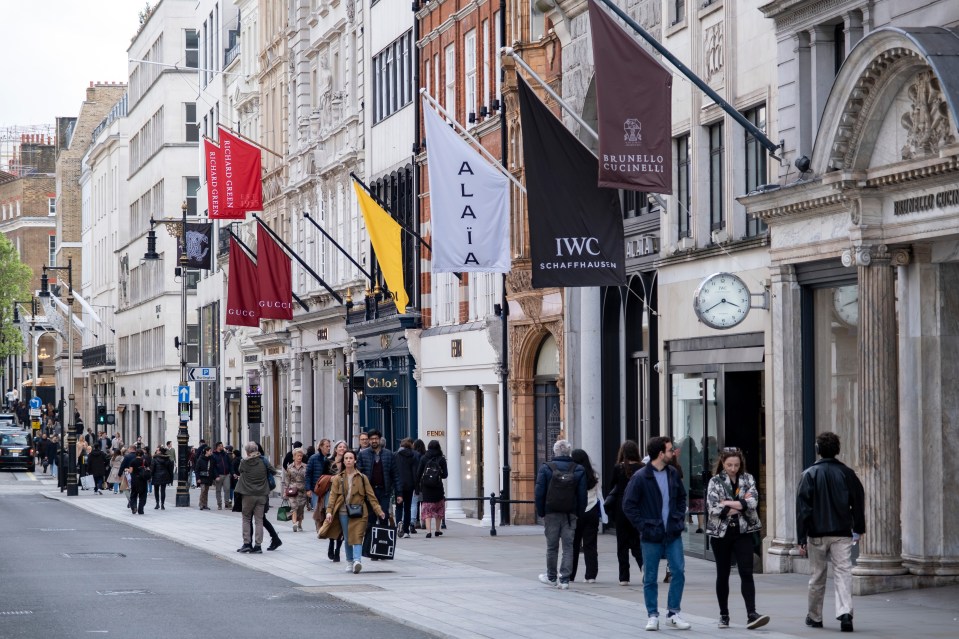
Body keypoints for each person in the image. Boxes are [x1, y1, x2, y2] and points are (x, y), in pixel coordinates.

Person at [797, 431, 865, 633]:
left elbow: (803, 509)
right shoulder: (847, 474)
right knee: (843, 572)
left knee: (817, 575)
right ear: (837, 450)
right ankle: (845, 613)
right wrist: (858, 528)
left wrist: (801, 538)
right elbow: (858, 502)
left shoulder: (809, 474)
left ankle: (815, 616)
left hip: (816, 533)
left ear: (818, 450)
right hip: (842, 532)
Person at [622, 436, 691, 631]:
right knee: (650, 576)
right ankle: (652, 615)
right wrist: (643, 526)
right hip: (651, 535)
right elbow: (628, 505)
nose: (673, 452)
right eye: (670, 450)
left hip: (672, 533)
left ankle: (673, 612)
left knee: (678, 571)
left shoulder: (672, 473)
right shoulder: (641, 477)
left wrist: (677, 519)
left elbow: (681, 498)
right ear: (661, 453)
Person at [706, 448, 769, 630]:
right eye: (729, 465)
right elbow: (713, 507)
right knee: (723, 574)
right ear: (723, 464)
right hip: (721, 534)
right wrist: (740, 504)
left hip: (743, 532)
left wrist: (728, 503)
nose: (733, 468)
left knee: (746, 572)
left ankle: (752, 614)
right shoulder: (715, 482)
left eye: (736, 465)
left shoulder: (748, 479)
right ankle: (724, 615)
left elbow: (753, 503)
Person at [320, 450, 386, 574]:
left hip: (360, 512)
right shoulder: (338, 478)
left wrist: (378, 510)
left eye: (351, 458)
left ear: (355, 460)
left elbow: (371, 495)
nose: (349, 460)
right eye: (346, 458)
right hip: (343, 512)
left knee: (357, 536)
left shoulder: (362, 477)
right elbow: (333, 496)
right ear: (343, 461)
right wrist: (329, 512)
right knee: (348, 537)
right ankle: (350, 561)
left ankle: (357, 561)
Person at [534, 439, 587, 590]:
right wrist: (579, 512)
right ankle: (564, 579)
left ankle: (551, 577)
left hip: (551, 513)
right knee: (568, 547)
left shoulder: (546, 468)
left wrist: (541, 511)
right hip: (570, 514)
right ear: (569, 452)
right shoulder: (578, 469)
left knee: (552, 547)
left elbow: (539, 492)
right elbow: (582, 494)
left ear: (555, 451)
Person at [608, 440, 644, 586]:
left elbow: (612, 487)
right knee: (636, 541)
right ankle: (643, 566)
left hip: (621, 508)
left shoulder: (618, 468)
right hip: (637, 508)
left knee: (621, 543)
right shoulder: (642, 468)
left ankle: (624, 577)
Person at [235, 441, 277, 553]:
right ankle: (258, 546)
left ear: (247, 451)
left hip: (248, 494)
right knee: (259, 520)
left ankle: (247, 543)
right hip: (262, 494)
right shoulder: (263, 460)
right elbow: (273, 471)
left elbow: (240, 471)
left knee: (246, 518)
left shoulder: (244, 462)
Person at [356, 429, 401, 527]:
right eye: (371, 439)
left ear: (380, 439)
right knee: (371, 517)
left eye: (376, 438)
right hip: (369, 491)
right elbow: (358, 473)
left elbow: (395, 474)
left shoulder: (388, 454)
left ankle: (383, 540)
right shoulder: (363, 455)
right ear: (369, 440)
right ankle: (370, 539)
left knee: (384, 514)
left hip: (384, 491)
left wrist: (399, 493)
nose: (374, 441)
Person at [569, 448, 601, 584]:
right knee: (590, 545)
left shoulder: (573, 473)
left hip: (577, 511)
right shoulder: (594, 475)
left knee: (574, 544)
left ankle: (570, 574)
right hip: (592, 510)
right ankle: (591, 575)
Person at [319, 440, 348, 561]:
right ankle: (331, 543)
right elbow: (322, 476)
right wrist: (332, 479)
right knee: (331, 520)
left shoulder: (348, 462)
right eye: (340, 447)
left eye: (344, 447)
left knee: (342, 524)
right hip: (331, 494)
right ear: (336, 449)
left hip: (344, 496)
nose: (342, 448)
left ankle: (337, 551)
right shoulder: (328, 462)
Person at [415, 439, 448, 539]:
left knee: (427, 509)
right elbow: (445, 475)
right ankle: (437, 530)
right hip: (438, 487)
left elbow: (418, 473)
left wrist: (418, 485)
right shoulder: (441, 459)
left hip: (426, 488)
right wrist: (437, 475)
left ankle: (428, 531)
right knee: (439, 508)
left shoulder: (424, 458)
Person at [395, 438, 419, 538]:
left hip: (399, 484)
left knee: (399, 506)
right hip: (409, 485)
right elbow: (415, 472)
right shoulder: (414, 455)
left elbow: (394, 470)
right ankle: (406, 531)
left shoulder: (396, 455)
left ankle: (399, 522)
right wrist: (416, 487)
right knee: (408, 508)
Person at [283, 448, 309, 532]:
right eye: (298, 456)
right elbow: (287, 480)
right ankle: (294, 523)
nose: (299, 457)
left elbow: (308, 478)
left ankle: (299, 523)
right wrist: (285, 491)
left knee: (301, 508)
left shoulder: (305, 466)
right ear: (294, 457)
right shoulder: (289, 467)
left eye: (301, 456)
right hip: (292, 490)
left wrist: (309, 489)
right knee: (294, 507)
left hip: (302, 490)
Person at [305, 439, 331, 521]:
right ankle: (319, 529)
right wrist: (308, 489)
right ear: (321, 447)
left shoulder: (330, 458)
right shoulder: (313, 458)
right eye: (327, 446)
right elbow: (308, 474)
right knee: (318, 511)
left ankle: (324, 530)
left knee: (327, 510)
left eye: (330, 446)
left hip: (327, 488)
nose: (329, 448)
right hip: (316, 489)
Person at [411, 439, 427, 530]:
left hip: (416, 482)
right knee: (423, 502)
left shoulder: (414, 456)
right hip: (424, 482)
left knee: (415, 503)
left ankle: (416, 521)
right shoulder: (425, 456)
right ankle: (424, 520)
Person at [212, 442, 233, 509]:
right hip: (219, 475)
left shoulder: (225, 454)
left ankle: (227, 504)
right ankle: (219, 504)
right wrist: (216, 476)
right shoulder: (214, 455)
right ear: (218, 447)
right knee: (218, 490)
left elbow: (230, 464)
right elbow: (213, 467)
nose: (223, 447)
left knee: (227, 489)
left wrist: (231, 473)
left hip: (226, 474)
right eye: (221, 446)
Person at [195, 444, 216, 510]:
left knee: (206, 491)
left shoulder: (211, 459)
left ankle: (205, 504)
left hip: (208, 477)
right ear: (206, 451)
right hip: (202, 477)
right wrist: (198, 478)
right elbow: (197, 470)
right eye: (210, 451)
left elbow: (213, 468)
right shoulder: (200, 459)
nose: (211, 452)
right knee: (203, 490)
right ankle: (201, 504)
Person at [128, 450, 150, 515]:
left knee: (134, 494)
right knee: (143, 495)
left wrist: (127, 470)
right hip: (142, 480)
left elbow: (131, 471)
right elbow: (148, 469)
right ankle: (141, 509)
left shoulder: (133, 461)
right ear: (142, 454)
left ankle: (134, 507)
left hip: (134, 479)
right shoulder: (144, 461)